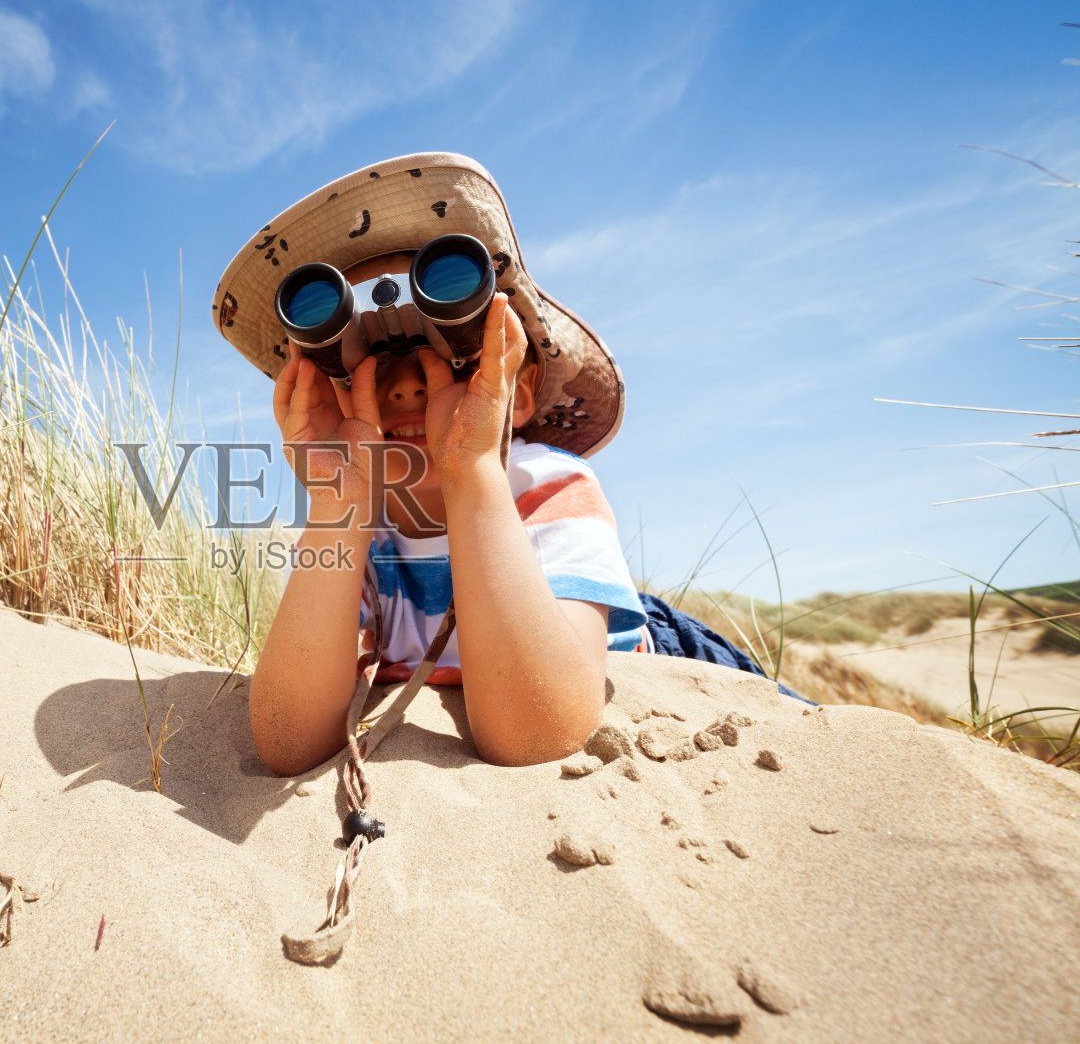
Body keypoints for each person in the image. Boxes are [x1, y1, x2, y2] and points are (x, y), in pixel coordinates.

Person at [212, 153, 778, 777]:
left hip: (626, 639)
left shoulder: (549, 488)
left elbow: (536, 735)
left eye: (446, 346)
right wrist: (338, 503)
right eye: (365, 357)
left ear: (518, 391)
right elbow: (288, 742)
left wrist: (473, 469)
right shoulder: (355, 532)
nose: (405, 384)